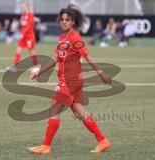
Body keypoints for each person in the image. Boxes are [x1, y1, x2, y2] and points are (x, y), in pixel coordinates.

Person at [27, 4, 112, 154]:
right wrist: (40, 71)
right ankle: (103, 140)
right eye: (62, 19)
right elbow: (55, 58)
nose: (64, 22)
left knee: (54, 108)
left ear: (72, 21)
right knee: (79, 110)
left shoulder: (75, 37)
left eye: (67, 19)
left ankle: (46, 146)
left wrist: (101, 73)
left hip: (70, 81)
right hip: (72, 81)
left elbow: (88, 56)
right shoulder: (62, 38)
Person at [10, 3, 37, 72]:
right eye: (22, 7)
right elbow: (23, 25)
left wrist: (23, 34)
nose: (23, 9)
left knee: (31, 51)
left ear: (27, 7)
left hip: (29, 36)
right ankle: (15, 66)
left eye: (24, 7)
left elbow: (29, 26)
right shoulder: (23, 16)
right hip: (23, 36)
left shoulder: (31, 15)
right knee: (18, 49)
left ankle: (35, 66)